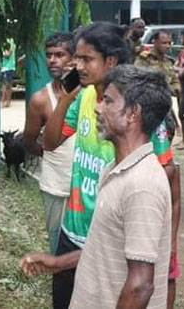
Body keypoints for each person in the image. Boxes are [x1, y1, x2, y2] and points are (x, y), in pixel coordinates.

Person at [18, 22, 178, 309]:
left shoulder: (140, 122)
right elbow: (50, 144)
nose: (76, 65)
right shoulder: (85, 97)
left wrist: (162, 238)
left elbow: (167, 174)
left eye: (85, 58)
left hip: (117, 235)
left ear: (111, 61)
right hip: (78, 230)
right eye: (75, 58)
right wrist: (67, 97)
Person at [68, 65, 173, 309]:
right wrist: (57, 263)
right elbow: (106, 249)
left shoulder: (142, 185)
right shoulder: (117, 168)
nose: (97, 107)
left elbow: (141, 285)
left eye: (108, 101)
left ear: (132, 113)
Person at [22, 31, 76, 254]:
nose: (53, 60)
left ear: (74, 58)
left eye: (60, 54)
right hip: (56, 185)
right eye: (49, 55)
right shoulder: (41, 99)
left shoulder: (90, 93)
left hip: (86, 187)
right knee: (57, 244)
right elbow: (28, 141)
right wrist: (50, 154)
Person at [135, 29, 180, 98]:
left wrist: (172, 90)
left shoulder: (168, 61)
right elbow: (137, 80)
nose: (168, 46)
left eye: (169, 43)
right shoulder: (145, 59)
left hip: (165, 100)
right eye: (164, 43)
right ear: (155, 42)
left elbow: (175, 81)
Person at [1, 37, 16, 107]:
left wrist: (8, 51)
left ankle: (5, 102)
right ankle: (6, 102)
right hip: (8, 67)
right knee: (7, 85)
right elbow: (7, 54)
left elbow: (7, 54)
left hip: (8, 67)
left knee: (7, 85)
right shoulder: (9, 43)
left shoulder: (9, 42)